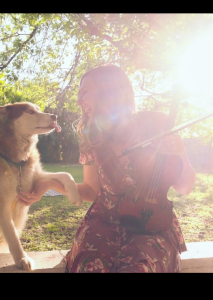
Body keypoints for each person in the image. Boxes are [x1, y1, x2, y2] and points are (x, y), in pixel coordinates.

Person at [18, 64, 196, 273]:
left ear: (109, 91)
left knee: (140, 269)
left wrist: (180, 151)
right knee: (90, 268)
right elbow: (92, 191)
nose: (79, 101)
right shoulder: (92, 137)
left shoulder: (156, 124)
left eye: (84, 92)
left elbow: (185, 187)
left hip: (151, 224)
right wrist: (50, 183)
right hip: (104, 223)